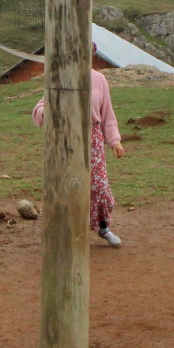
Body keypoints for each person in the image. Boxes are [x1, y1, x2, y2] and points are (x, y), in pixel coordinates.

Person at [31, 49, 127, 247]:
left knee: (99, 186)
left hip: (92, 139)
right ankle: (64, 230)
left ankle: (103, 227)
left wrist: (114, 141)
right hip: (65, 139)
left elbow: (107, 114)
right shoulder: (60, 77)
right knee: (66, 184)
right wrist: (44, 112)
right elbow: (41, 107)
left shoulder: (99, 79)